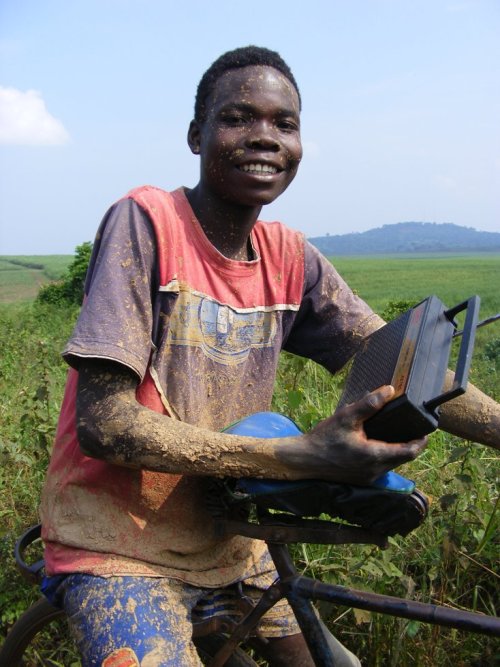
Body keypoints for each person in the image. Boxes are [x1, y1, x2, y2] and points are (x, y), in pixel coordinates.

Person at [40, 46, 500, 667]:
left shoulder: (289, 256)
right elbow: (105, 425)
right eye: (238, 118)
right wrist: (297, 455)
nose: (265, 138)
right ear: (196, 136)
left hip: (232, 533)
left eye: (284, 124)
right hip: (117, 544)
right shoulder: (146, 222)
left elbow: (397, 363)